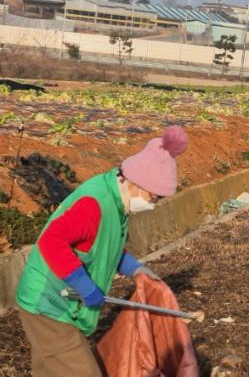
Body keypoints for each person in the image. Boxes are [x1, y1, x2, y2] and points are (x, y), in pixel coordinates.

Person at [15, 126, 189, 377]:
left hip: (62, 304)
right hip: (49, 303)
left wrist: (136, 269)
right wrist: (83, 284)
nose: (153, 205)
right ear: (137, 183)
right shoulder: (95, 204)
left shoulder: (117, 203)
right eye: (154, 198)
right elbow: (52, 241)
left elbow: (105, 247)